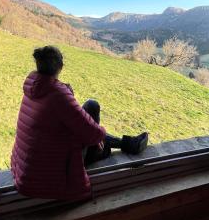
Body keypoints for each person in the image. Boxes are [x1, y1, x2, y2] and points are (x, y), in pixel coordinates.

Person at [11, 46, 148, 200]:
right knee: (100, 140)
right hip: (50, 171)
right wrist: (98, 138)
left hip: (28, 167)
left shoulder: (34, 87)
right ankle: (127, 144)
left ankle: (126, 144)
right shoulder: (57, 94)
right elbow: (91, 132)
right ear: (60, 67)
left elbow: (70, 122)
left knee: (91, 106)